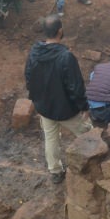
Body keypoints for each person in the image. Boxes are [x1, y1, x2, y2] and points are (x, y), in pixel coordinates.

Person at [24, 14, 92, 184]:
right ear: (60, 31)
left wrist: (36, 99)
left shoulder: (35, 52)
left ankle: (55, 171)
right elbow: (76, 87)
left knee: (51, 138)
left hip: (45, 107)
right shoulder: (66, 57)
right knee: (88, 134)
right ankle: (93, 160)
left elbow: (28, 76)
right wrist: (84, 107)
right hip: (66, 110)